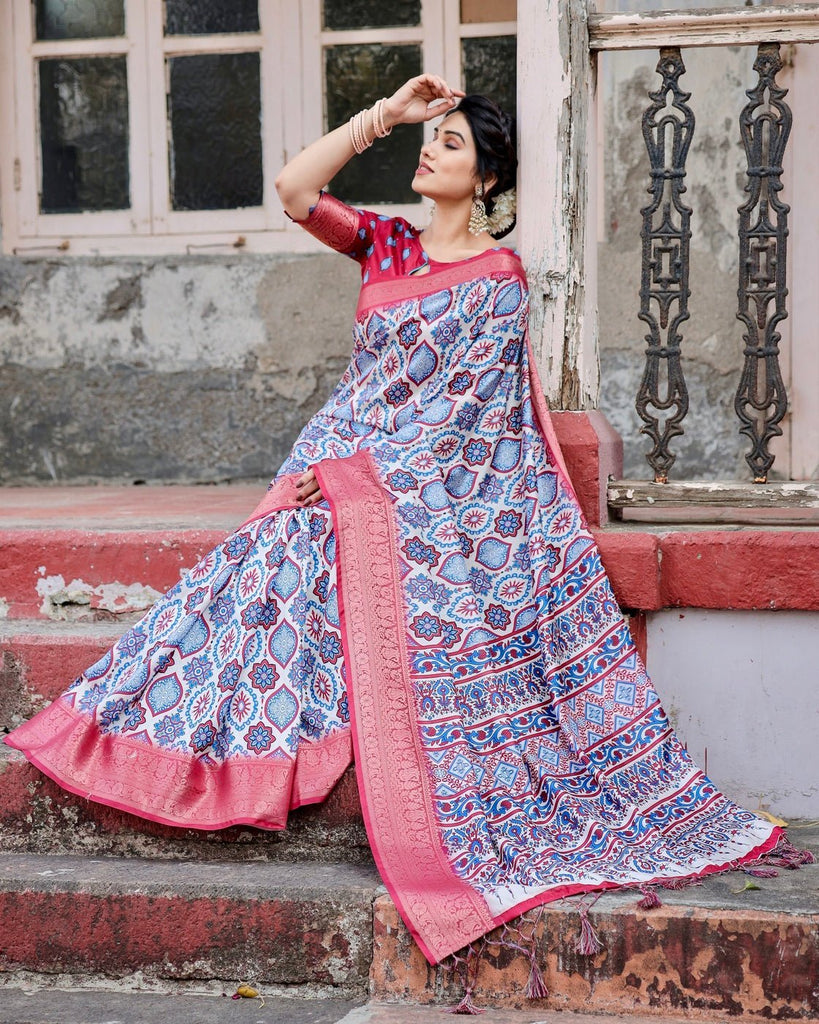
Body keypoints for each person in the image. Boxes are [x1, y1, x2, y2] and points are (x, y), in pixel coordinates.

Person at [6, 75, 806, 974]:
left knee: (325, 553)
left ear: (488, 180)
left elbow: (469, 424)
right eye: (432, 139)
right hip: (332, 462)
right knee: (268, 557)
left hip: (415, 488)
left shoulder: (497, 279)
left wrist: (355, 482)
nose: (430, 151)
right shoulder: (384, 244)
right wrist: (384, 116)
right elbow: (295, 190)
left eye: (451, 144)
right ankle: (192, 752)